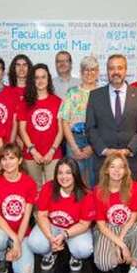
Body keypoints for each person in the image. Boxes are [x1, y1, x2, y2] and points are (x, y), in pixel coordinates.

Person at [24, 157, 95, 272]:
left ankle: (75, 255)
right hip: (52, 226)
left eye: (68, 172)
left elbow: (84, 224)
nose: (64, 177)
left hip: (75, 228)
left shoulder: (86, 194)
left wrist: (65, 235)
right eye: (60, 173)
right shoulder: (48, 187)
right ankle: (49, 253)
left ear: (75, 174)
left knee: (83, 250)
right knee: (34, 243)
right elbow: (42, 215)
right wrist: (50, 238)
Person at [86, 53, 137, 180]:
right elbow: (90, 128)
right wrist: (104, 150)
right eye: (111, 68)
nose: (116, 72)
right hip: (103, 162)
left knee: (129, 199)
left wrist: (129, 150)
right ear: (107, 71)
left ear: (126, 70)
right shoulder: (95, 96)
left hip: (129, 162)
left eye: (120, 68)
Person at [92, 153, 137, 273]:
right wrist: (121, 245)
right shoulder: (98, 191)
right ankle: (124, 252)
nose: (117, 171)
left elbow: (133, 216)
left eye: (121, 167)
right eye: (112, 167)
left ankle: (133, 268)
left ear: (126, 170)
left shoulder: (135, 187)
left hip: (127, 227)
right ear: (106, 170)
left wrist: (120, 242)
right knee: (103, 265)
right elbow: (101, 225)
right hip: (108, 228)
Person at [0, 143, 37, 273]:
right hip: (0, 229)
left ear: (20, 160)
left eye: (12, 158)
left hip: (21, 232)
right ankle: (0, 256)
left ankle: (12, 249)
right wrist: (14, 239)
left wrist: (18, 242)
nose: (7, 163)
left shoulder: (29, 183)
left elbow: (26, 217)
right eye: (4, 159)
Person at [19, 63, 63, 190]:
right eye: (37, 77)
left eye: (43, 77)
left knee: (53, 190)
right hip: (31, 154)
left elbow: (61, 131)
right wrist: (33, 151)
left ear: (48, 79)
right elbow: (22, 130)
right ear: (32, 80)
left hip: (53, 154)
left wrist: (52, 151)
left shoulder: (58, 101)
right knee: (34, 190)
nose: (40, 80)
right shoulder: (25, 102)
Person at [59, 55, 99, 188]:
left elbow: (106, 123)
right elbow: (64, 121)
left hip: (96, 141)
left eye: (93, 69)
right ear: (81, 72)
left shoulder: (103, 94)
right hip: (74, 140)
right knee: (75, 179)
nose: (89, 73)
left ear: (98, 72)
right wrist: (74, 147)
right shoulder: (72, 93)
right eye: (86, 70)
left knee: (94, 179)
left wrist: (93, 146)